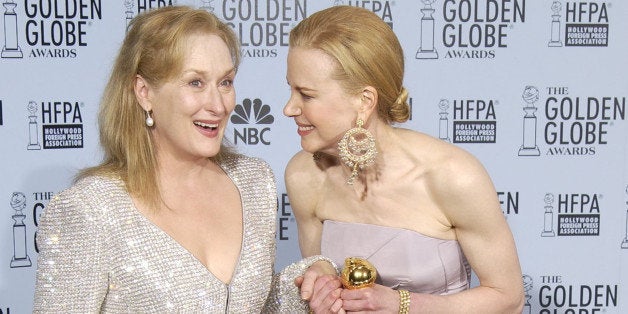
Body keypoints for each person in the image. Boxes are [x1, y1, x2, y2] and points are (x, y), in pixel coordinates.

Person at [32, 6, 331, 313]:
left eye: (225, 82)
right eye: (195, 83)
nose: (218, 105)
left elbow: (257, 303)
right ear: (144, 92)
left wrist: (311, 278)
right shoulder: (92, 208)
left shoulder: (254, 183)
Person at [283, 6, 525, 314]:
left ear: (364, 101)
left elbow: (509, 299)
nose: (289, 108)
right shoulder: (304, 175)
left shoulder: (453, 176)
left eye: (306, 94)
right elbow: (320, 269)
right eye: (290, 89)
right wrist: (322, 275)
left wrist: (403, 305)